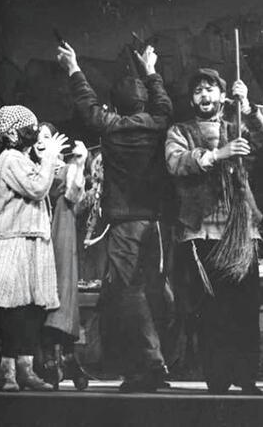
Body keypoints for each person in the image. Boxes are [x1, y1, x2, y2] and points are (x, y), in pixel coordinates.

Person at [57, 42, 172, 392]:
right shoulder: (157, 122)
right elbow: (164, 102)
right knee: (150, 289)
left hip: (125, 223)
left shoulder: (112, 126)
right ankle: (154, 363)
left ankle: (149, 366)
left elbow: (88, 105)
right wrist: (150, 70)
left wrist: (74, 67)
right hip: (154, 222)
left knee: (128, 292)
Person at [165, 69, 263, 395]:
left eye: (210, 89)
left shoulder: (237, 125)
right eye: (198, 91)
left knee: (244, 309)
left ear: (222, 96)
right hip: (202, 235)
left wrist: (249, 107)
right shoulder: (180, 131)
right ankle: (217, 379)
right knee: (212, 312)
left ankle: (246, 378)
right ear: (191, 99)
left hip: (241, 234)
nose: (204, 96)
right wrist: (217, 154)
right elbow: (176, 163)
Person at [0, 106, 67, 391]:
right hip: (13, 240)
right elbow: (38, 188)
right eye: (30, 127)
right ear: (15, 132)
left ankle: (26, 369)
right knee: (13, 310)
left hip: (33, 239)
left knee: (32, 309)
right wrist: (51, 156)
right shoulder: (9, 158)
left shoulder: (22, 158)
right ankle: (7, 371)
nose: (34, 132)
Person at [34, 122, 90, 390]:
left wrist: (79, 162)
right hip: (37, 236)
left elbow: (73, 194)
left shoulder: (67, 169)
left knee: (62, 293)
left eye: (46, 136)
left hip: (61, 235)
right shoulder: (29, 167)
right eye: (36, 137)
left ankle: (67, 356)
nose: (40, 140)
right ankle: (47, 359)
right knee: (39, 295)